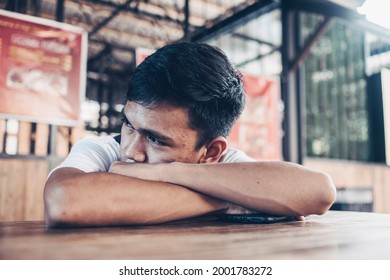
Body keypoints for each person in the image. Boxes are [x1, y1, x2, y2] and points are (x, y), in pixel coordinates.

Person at [44, 42, 336, 227]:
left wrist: (166, 174)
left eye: (156, 139)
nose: (131, 150)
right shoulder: (101, 149)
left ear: (210, 153)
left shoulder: (226, 161)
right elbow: (63, 202)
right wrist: (228, 200)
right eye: (129, 124)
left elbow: (318, 192)